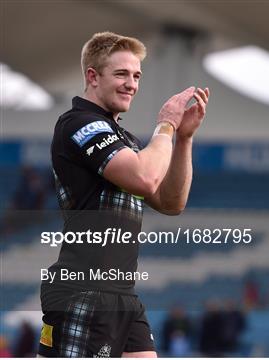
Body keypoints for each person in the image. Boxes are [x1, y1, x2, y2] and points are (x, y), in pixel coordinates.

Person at [38, 31, 210, 357]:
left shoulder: (124, 138)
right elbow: (145, 178)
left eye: (136, 75)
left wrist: (183, 138)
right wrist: (165, 126)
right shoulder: (80, 123)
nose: (131, 83)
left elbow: (171, 203)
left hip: (121, 293)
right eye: (121, 74)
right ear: (92, 76)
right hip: (84, 291)